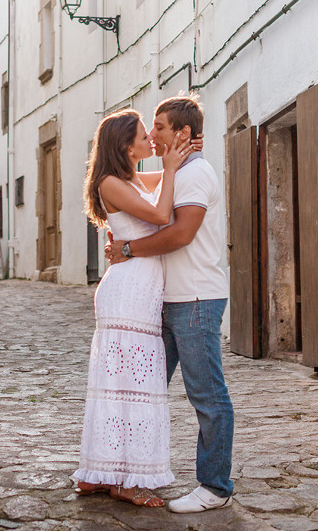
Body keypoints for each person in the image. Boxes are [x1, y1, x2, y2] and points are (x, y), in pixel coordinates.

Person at [107, 95, 234, 514]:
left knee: (207, 395)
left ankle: (214, 486)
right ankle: (120, 471)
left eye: (159, 127)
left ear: (182, 133)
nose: (153, 135)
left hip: (195, 298)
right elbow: (130, 188)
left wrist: (127, 249)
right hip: (168, 299)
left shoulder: (196, 174)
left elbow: (181, 235)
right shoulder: (176, 172)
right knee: (144, 388)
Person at [72, 109, 194, 507]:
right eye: (146, 136)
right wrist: (172, 167)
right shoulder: (111, 182)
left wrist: (182, 152)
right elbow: (161, 213)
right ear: (127, 145)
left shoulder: (132, 180)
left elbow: (168, 183)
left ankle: (100, 473)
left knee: (122, 384)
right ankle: (123, 481)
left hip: (138, 289)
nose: (151, 142)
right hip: (127, 293)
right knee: (127, 386)